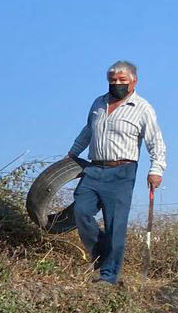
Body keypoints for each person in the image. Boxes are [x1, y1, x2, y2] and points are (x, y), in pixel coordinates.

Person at [66, 59, 166, 284]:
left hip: (122, 171)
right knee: (81, 211)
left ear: (134, 82)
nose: (117, 84)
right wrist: (72, 153)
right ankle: (101, 253)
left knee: (116, 225)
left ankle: (109, 277)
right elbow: (88, 130)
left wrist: (156, 170)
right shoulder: (98, 103)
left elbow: (156, 142)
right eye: (113, 80)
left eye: (122, 80)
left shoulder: (142, 109)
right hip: (94, 168)